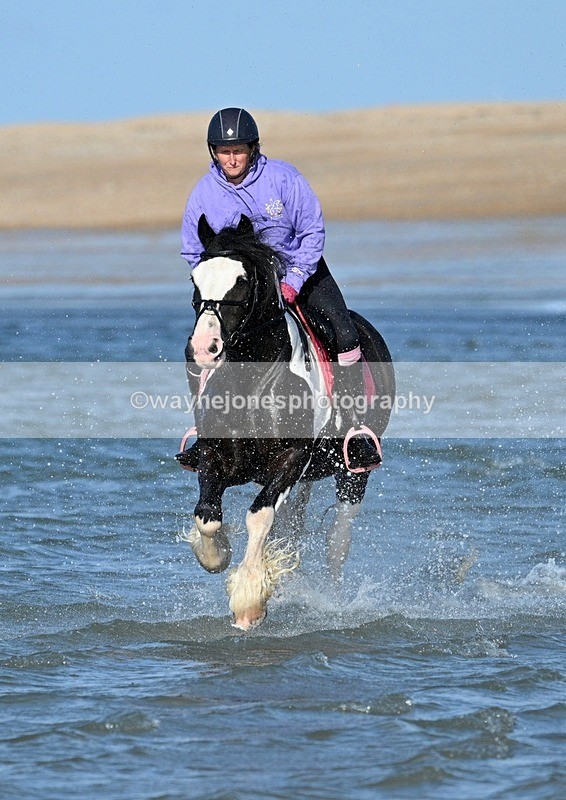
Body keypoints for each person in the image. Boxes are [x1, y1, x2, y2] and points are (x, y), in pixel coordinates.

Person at [179, 107, 380, 470]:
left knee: (346, 332)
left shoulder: (284, 178)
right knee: (196, 349)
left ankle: (353, 430)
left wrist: (293, 281)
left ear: (253, 148)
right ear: (213, 152)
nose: (231, 159)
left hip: (300, 271)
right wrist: (216, 284)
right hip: (241, 291)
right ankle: (204, 433)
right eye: (224, 152)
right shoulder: (203, 194)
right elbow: (194, 251)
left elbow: (312, 232)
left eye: (239, 150)